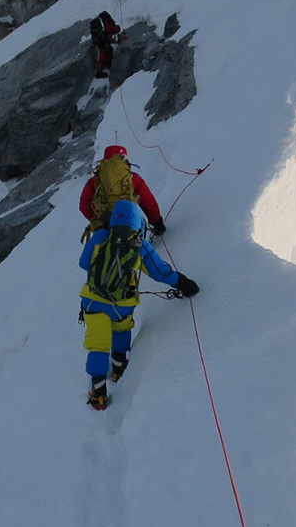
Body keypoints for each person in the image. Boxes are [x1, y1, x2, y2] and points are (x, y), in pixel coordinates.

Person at [79, 200, 199, 409]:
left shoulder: (101, 236)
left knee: (97, 344)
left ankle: (98, 392)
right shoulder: (140, 245)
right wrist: (184, 284)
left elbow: (84, 263)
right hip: (123, 304)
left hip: (94, 301)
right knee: (121, 331)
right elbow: (160, 272)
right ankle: (118, 367)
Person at [80, 144, 165, 237]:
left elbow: (84, 206)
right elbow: (148, 202)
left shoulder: (94, 181)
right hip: (129, 222)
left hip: (104, 225)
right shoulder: (132, 178)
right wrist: (157, 223)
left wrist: (96, 220)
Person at [88, 10, 121, 79]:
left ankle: (106, 65)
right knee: (104, 53)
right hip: (102, 41)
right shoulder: (105, 23)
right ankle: (99, 72)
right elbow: (114, 29)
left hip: (97, 40)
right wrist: (117, 28)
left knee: (108, 50)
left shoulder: (98, 22)